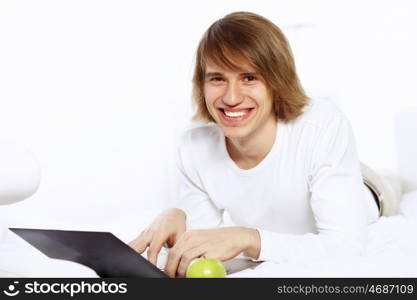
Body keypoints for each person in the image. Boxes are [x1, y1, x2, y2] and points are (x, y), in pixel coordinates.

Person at [129, 11, 402, 278]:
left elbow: (345, 247)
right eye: (217, 78)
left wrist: (250, 239)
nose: (231, 97)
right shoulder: (195, 145)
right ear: (202, 84)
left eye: (249, 77)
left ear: (276, 82)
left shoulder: (323, 126)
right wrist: (177, 216)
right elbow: (202, 242)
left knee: (397, 183)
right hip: (322, 170)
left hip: (370, 188)